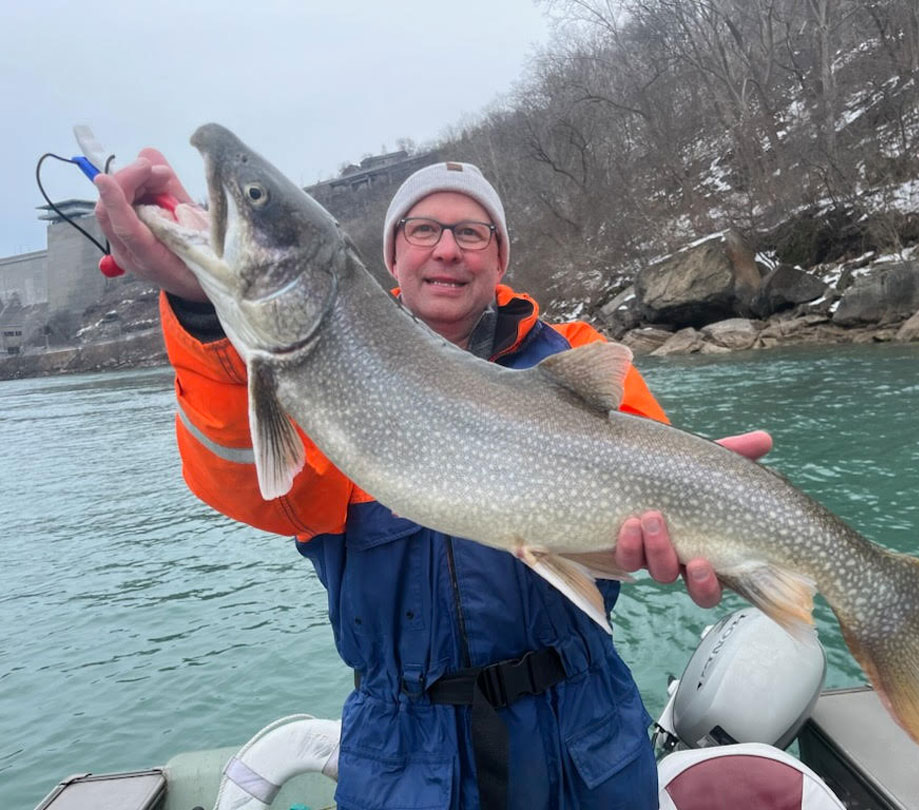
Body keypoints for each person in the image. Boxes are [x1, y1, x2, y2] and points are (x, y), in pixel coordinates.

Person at [94, 151, 772, 810]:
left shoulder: (582, 361)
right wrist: (198, 304)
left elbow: (670, 500)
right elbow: (252, 483)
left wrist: (711, 518)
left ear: (499, 257)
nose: (447, 249)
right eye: (423, 230)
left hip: (585, 740)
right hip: (405, 757)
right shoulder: (322, 382)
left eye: (471, 232)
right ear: (390, 256)